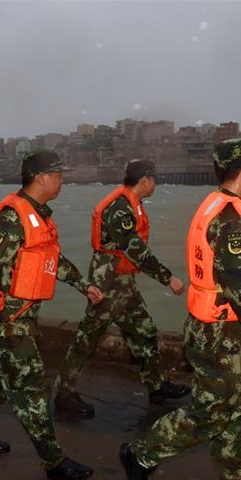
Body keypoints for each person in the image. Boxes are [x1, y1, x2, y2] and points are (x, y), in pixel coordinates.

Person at [120, 138, 241, 480]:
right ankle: (142, 454)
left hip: (211, 323)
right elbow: (238, 289)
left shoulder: (213, 203)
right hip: (219, 331)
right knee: (212, 412)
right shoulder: (231, 219)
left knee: (233, 404)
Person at [0, 150, 103, 480]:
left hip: (24, 315)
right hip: (9, 319)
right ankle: (53, 462)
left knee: (3, 378)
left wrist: (83, 285)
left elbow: (51, 259)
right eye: (58, 175)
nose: (62, 181)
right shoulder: (10, 219)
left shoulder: (39, 216)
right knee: (32, 385)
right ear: (42, 178)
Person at [53, 159, 189, 418]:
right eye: (154, 179)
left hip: (123, 281)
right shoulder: (119, 208)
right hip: (108, 282)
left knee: (144, 330)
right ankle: (64, 392)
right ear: (145, 180)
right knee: (88, 337)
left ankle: (156, 386)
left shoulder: (130, 203)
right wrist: (168, 278)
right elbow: (134, 249)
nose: (156, 184)